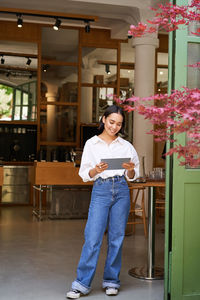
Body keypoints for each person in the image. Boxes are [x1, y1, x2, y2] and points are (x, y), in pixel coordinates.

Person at [66, 105, 139, 299]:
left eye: (119, 124)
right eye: (111, 122)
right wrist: (96, 170)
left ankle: (111, 281)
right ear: (103, 119)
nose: (114, 127)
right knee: (92, 238)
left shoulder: (126, 146)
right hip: (101, 189)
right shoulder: (92, 144)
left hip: (122, 189)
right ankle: (81, 284)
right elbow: (85, 175)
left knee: (116, 238)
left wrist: (130, 169)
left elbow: (132, 175)